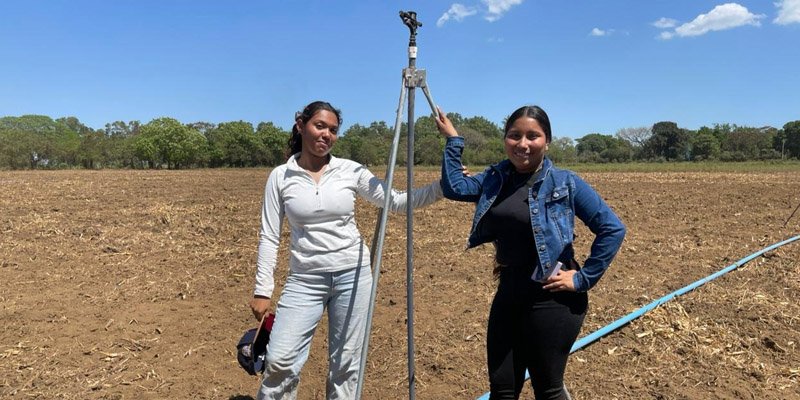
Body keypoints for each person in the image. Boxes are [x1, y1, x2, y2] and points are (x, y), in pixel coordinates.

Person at [249, 100, 443, 399]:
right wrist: (263, 289)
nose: (326, 134)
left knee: (346, 364)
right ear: (301, 126)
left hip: (352, 276)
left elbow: (396, 201)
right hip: (304, 279)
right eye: (320, 126)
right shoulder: (280, 176)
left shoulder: (351, 171)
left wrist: (444, 186)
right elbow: (269, 235)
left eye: (333, 130)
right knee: (280, 360)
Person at [434, 105, 625, 400]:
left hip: (553, 299)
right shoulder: (494, 179)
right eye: (515, 135)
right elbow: (455, 187)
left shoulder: (566, 182)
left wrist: (583, 278)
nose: (523, 144)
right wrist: (453, 140)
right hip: (509, 292)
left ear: (547, 141)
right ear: (505, 140)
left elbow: (612, 228)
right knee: (502, 389)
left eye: (532, 136)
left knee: (547, 389)